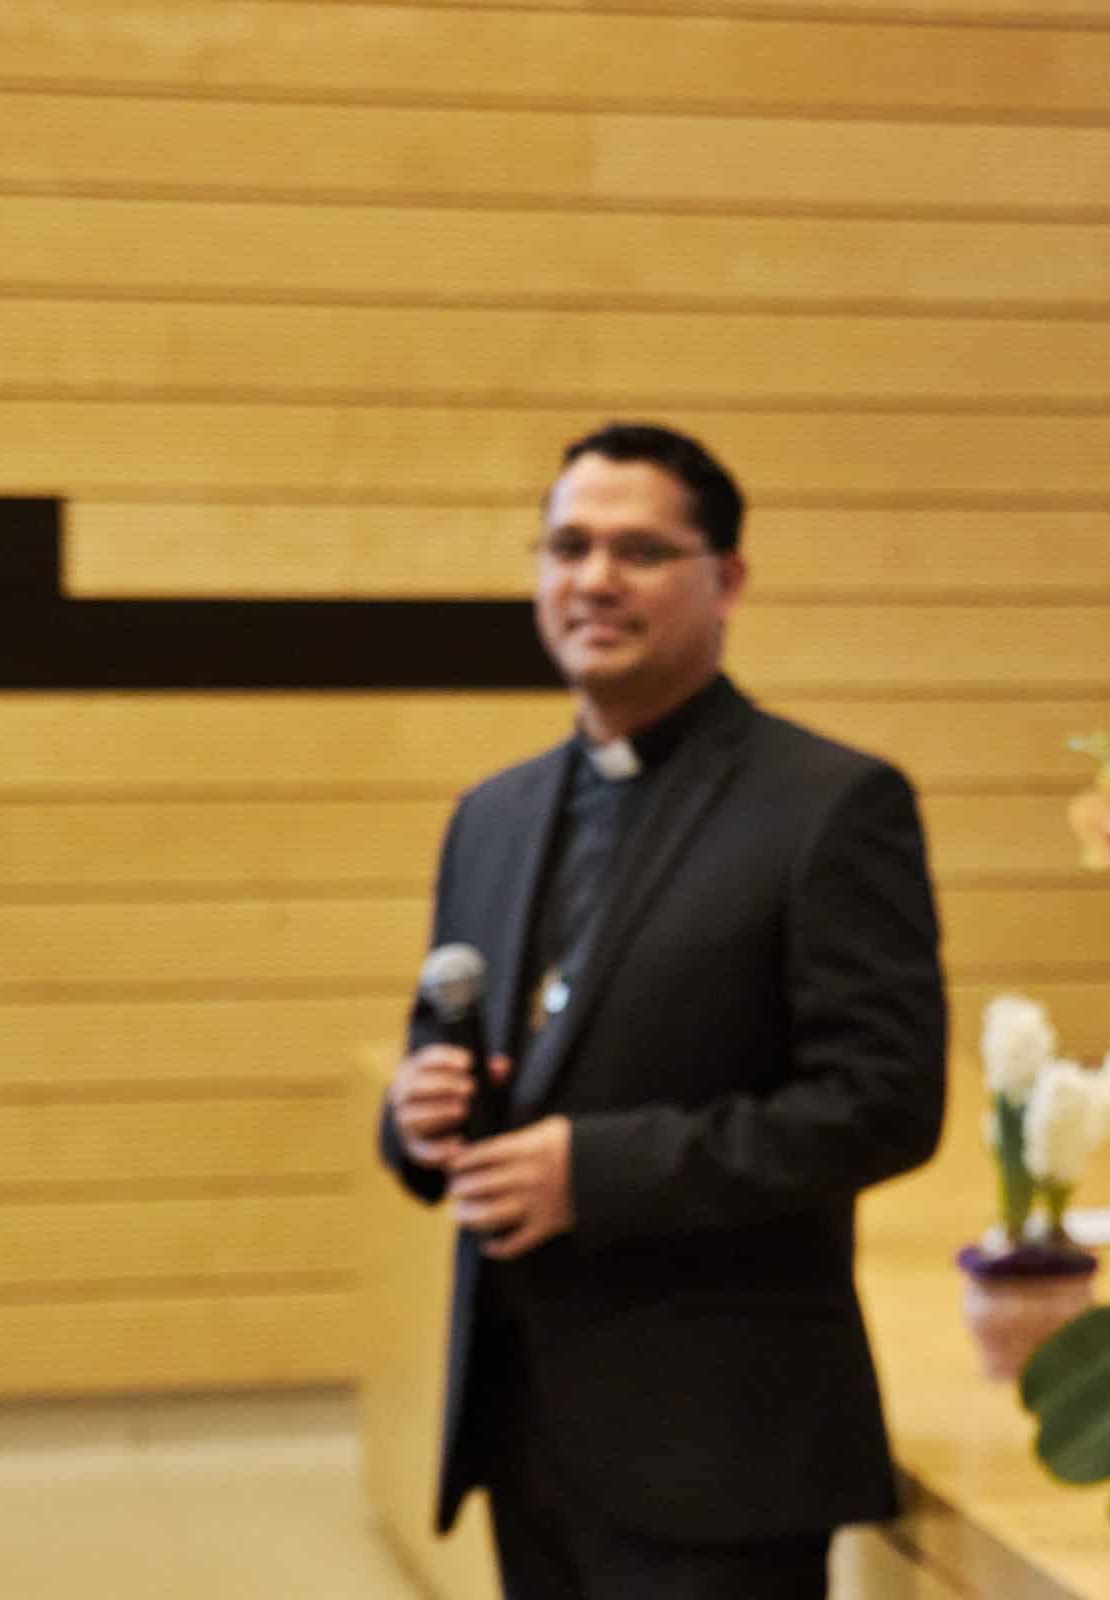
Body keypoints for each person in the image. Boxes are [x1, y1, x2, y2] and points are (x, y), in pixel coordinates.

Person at [377, 421, 947, 1598]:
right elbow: (455, 1045)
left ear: (726, 579)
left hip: (718, 1451)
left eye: (638, 551)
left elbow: (884, 1103)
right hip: (521, 1421)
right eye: (567, 546)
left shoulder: (830, 805)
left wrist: (594, 1171)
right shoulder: (491, 815)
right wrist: (416, 1115)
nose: (594, 578)